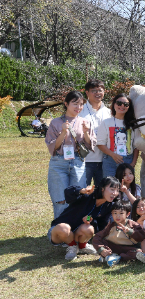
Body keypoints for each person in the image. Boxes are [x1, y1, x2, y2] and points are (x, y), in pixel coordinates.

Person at [45, 90, 96, 218]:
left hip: (78, 162)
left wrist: (85, 132)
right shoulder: (55, 122)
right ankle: (59, 233)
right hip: (59, 162)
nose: (78, 107)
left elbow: (90, 145)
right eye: (75, 104)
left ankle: (76, 231)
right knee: (60, 199)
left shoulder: (85, 122)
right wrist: (63, 132)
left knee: (79, 197)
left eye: (81, 104)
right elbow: (53, 147)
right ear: (66, 104)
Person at [47, 178, 120, 261]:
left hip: (78, 234)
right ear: (102, 188)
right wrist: (81, 190)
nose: (115, 193)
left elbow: (101, 226)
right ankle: (73, 247)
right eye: (112, 189)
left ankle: (82, 246)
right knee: (64, 228)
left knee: (88, 228)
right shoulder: (88, 195)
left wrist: (91, 221)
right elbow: (68, 192)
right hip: (59, 232)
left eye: (117, 190)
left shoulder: (109, 206)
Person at [79, 79, 111, 187]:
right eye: (94, 90)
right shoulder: (80, 111)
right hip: (85, 159)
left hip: (104, 160)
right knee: (83, 191)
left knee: (102, 192)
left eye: (100, 90)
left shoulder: (109, 112)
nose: (98, 93)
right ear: (87, 93)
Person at [97, 93, 138, 178]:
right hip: (110, 161)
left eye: (126, 104)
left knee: (125, 188)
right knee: (110, 187)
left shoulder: (133, 124)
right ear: (114, 104)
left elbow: (136, 146)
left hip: (128, 160)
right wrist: (113, 155)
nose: (122, 106)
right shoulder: (106, 122)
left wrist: (133, 163)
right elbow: (100, 144)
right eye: (119, 103)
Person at [93, 201, 145, 267]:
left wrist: (130, 231)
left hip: (128, 248)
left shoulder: (133, 225)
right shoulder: (110, 226)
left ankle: (116, 257)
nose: (117, 216)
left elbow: (141, 237)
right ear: (111, 214)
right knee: (103, 242)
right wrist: (101, 249)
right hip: (112, 247)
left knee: (138, 252)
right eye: (115, 213)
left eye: (121, 213)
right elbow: (97, 237)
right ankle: (108, 255)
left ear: (127, 214)